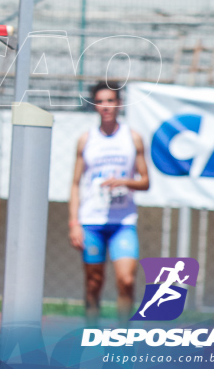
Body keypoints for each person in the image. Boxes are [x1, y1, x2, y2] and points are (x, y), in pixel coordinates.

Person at [68, 81, 150, 325]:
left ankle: (123, 338)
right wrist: (74, 223)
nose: (106, 106)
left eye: (110, 101)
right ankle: (91, 335)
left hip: (123, 222)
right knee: (93, 284)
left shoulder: (132, 138)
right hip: (92, 222)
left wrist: (124, 181)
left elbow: (145, 182)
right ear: (95, 106)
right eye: (101, 101)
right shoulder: (86, 140)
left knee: (126, 281)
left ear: (119, 104)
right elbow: (75, 184)